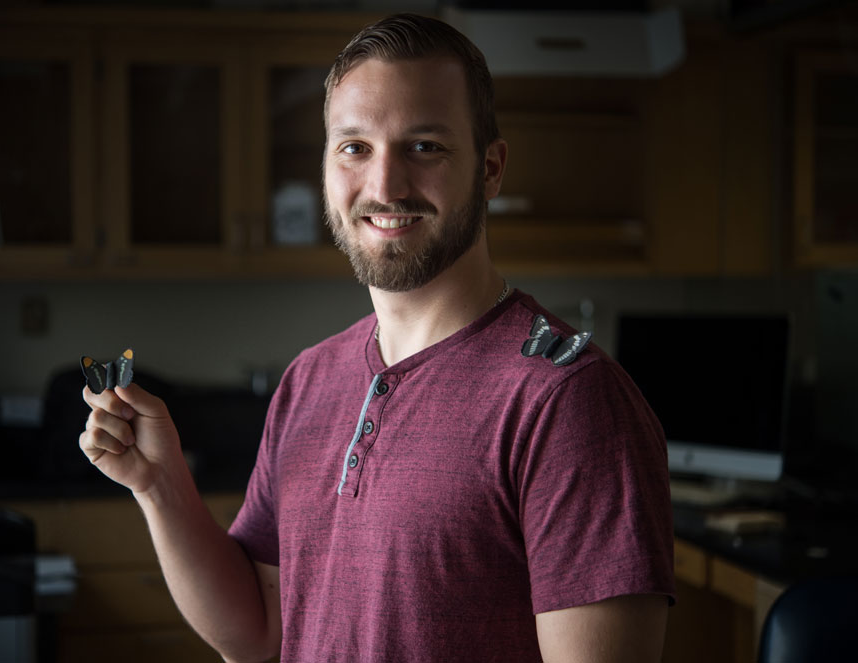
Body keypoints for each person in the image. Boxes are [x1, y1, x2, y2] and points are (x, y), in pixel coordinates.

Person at [80, 13, 675, 663]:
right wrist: (159, 484)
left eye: (424, 146)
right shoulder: (310, 378)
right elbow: (256, 632)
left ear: (490, 167)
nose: (385, 185)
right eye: (355, 147)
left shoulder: (565, 400)